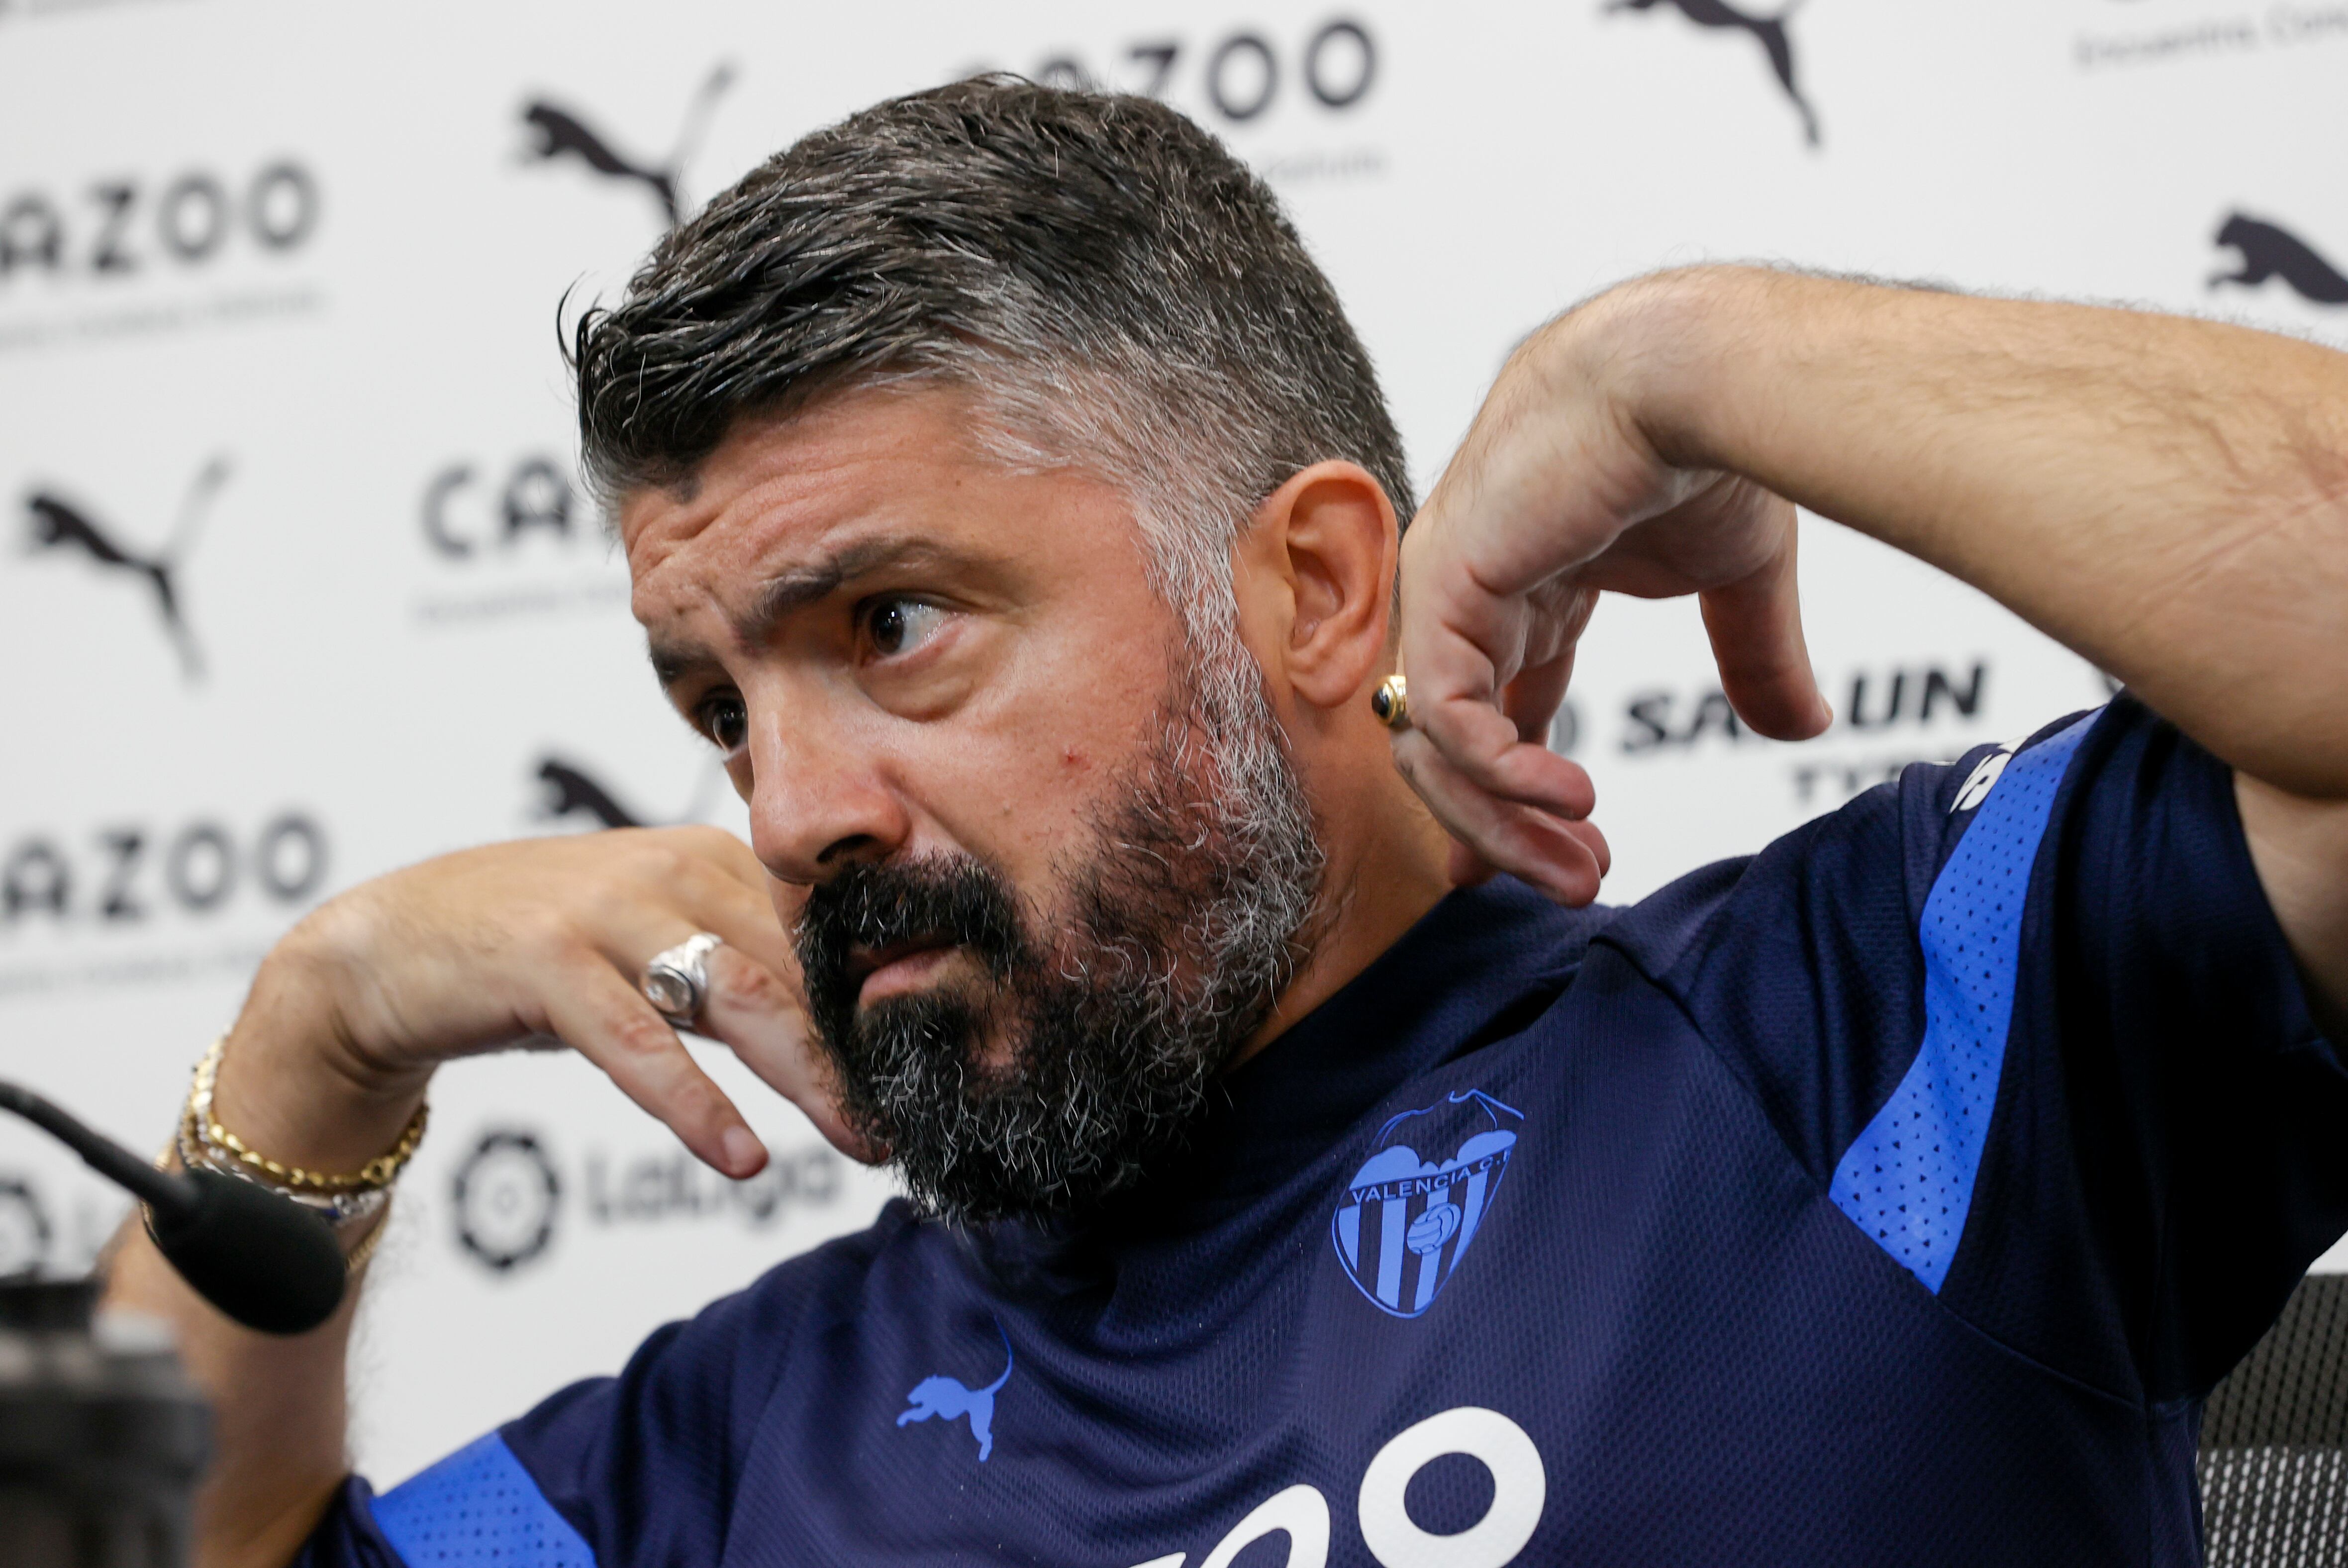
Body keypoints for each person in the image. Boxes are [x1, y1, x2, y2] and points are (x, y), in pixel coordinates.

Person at [104, 78, 2346, 1568]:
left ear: (1311, 583)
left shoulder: (1878, 1030)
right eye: (715, 705)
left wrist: (1680, 354)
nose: (787, 809)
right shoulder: (742, 1443)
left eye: (891, 623)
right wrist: (322, 1030)